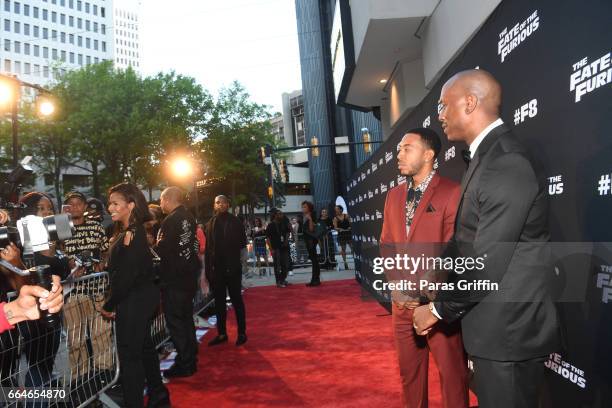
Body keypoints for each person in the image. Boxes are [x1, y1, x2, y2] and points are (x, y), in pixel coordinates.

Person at [412, 69, 559, 408]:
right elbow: (466, 236)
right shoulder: (486, 157)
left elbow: (487, 264)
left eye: (443, 106)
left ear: (470, 103)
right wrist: (436, 271)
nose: (440, 116)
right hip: (494, 329)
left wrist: (436, 310)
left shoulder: (505, 161)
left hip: (509, 333)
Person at [380, 129, 468, 408]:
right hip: (401, 306)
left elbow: (451, 249)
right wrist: (397, 286)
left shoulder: (452, 192)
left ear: (429, 154)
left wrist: (420, 294)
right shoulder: (393, 195)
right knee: (410, 377)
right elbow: (387, 245)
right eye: (399, 150)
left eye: (407, 148)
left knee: (452, 377)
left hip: (435, 306)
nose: (399, 155)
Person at [102, 182, 169, 408]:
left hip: (134, 301)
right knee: (144, 349)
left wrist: (110, 304)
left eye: (115, 203)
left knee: (130, 358)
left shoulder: (132, 233)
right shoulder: (131, 231)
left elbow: (126, 277)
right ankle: (159, 395)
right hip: (140, 299)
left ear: (130, 205)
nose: (110, 207)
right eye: (109, 203)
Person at [18, 192, 71, 391]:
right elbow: (39, 266)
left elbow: (63, 270)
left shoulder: (54, 236)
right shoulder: (26, 239)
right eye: (41, 208)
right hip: (35, 311)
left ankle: (47, 397)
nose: (47, 212)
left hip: (53, 306)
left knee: (47, 359)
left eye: (50, 208)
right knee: (38, 363)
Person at [154, 187, 200, 378]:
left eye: (161, 199)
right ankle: (190, 357)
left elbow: (162, 249)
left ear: (167, 199)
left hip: (174, 278)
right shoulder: (189, 217)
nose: (160, 203)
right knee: (186, 319)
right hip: (188, 276)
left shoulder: (170, 220)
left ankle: (185, 362)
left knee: (176, 322)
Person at [205, 195, 247, 346]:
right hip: (217, 271)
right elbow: (209, 250)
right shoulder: (210, 223)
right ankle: (222, 334)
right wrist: (208, 271)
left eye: (223, 202)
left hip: (233, 269)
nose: (221, 205)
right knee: (219, 303)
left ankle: (242, 333)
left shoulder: (236, 222)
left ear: (228, 204)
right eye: (218, 202)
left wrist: (241, 264)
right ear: (214, 205)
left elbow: (243, 245)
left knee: (237, 301)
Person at [265, 208, 291, 288]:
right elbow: (268, 238)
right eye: (279, 214)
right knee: (277, 265)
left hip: (284, 247)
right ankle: (278, 281)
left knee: (286, 265)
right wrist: (271, 249)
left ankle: (282, 279)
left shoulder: (284, 223)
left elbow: (287, 232)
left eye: (282, 214)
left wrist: (286, 240)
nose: (281, 215)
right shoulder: (271, 225)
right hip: (276, 247)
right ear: (275, 215)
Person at [301, 201, 321, 287]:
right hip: (309, 240)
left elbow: (311, 229)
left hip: (311, 241)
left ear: (309, 207)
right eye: (302, 207)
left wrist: (310, 219)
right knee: (314, 260)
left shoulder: (310, 216)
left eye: (305, 207)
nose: (303, 208)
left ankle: (315, 280)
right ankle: (316, 280)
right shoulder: (306, 216)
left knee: (314, 261)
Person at [333, 205, 352, 271]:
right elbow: (335, 227)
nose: (336, 210)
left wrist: (350, 227)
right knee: (343, 249)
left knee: (352, 247)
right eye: (335, 209)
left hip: (348, 234)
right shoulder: (335, 218)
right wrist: (339, 229)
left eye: (337, 209)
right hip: (341, 235)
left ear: (341, 210)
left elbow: (351, 223)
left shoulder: (346, 215)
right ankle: (345, 262)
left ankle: (356, 260)